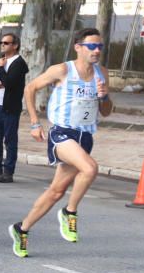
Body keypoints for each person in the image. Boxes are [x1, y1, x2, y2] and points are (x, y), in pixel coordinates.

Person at [8, 28, 112, 258]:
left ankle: (22, 229)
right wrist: (35, 122)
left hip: (85, 137)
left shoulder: (102, 73)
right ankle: (69, 212)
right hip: (62, 133)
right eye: (91, 46)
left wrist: (104, 96)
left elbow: (106, 112)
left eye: (100, 47)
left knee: (55, 191)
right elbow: (30, 88)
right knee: (90, 168)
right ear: (78, 47)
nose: (96, 51)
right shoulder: (63, 70)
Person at [0, 32, 29, 183]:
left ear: (15, 45)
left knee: (10, 140)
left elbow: (9, 82)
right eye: (1, 43)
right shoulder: (2, 61)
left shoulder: (19, 64)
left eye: (6, 43)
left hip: (10, 107)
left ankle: (8, 171)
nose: (2, 45)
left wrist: (1, 70)